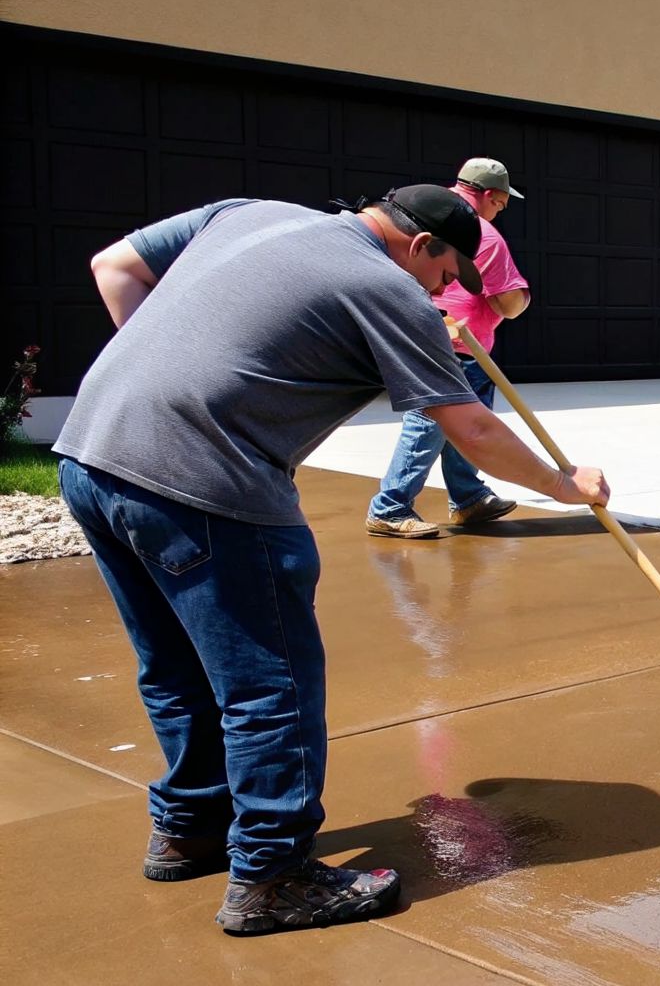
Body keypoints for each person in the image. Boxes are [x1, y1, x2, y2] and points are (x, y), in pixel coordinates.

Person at [62, 185, 609, 934]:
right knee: (270, 685)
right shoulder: (389, 290)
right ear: (421, 246)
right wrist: (564, 483)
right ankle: (272, 877)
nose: (444, 291)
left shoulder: (251, 212)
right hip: (207, 485)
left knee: (175, 666)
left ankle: (188, 829)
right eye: (447, 273)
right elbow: (472, 432)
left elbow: (114, 266)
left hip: (95, 455)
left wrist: (170, 396)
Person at [367, 157, 532, 538]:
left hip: (423, 333)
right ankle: (389, 508)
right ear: (489, 195)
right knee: (430, 423)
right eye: (501, 204)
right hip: (459, 343)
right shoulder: (482, 234)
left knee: (461, 426)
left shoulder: (419, 214)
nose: (500, 213)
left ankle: (469, 498)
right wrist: (521, 298)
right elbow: (508, 303)